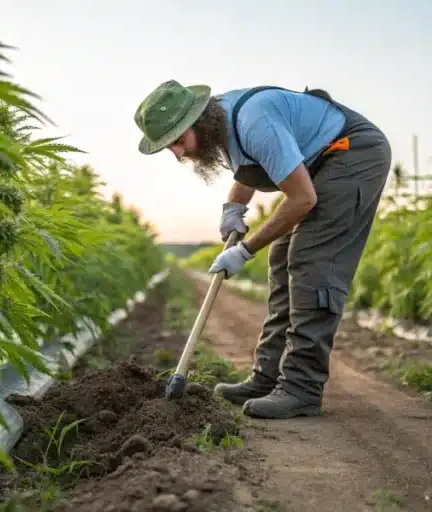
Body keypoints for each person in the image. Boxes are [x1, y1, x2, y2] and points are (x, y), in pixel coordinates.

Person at [133, 80, 391, 419]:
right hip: (322, 162)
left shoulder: (255, 122)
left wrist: (244, 250)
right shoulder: (223, 126)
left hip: (352, 153)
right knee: (282, 256)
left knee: (311, 260)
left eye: (179, 141)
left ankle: (301, 388)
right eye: (169, 147)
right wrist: (233, 208)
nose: (179, 154)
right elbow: (252, 165)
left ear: (199, 121)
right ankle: (267, 377)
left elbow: (302, 198)